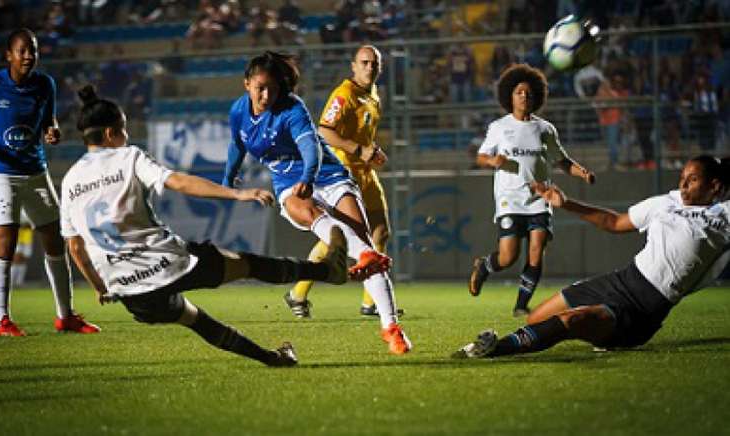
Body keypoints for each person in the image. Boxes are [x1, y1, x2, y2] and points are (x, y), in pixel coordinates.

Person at [62, 85, 351, 367]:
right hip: (165, 263)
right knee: (247, 264)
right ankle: (327, 270)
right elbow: (178, 182)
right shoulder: (128, 156)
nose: (126, 137)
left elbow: (75, 247)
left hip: (129, 292)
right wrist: (237, 193)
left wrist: (101, 287)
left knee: (195, 319)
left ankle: (273, 359)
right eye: (123, 130)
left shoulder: (70, 179)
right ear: (112, 133)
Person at [222, 51, 411, 354]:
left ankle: (391, 328)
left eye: (272, 87)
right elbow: (237, 144)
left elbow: (312, 148)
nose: (266, 94)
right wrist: (227, 179)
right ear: (246, 84)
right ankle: (351, 253)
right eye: (260, 88)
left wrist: (309, 177)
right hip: (288, 184)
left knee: (366, 249)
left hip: (327, 175)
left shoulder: (292, 108)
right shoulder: (238, 112)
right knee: (322, 222)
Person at [454, 155, 730, 358]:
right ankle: (597, 330)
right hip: (619, 280)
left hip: (643, 307)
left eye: (692, 180)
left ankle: (492, 349)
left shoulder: (724, 217)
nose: (683, 185)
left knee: (570, 321)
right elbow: (614, 222)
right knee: (535, 320)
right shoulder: (665, 203)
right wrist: (567, 203)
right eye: (682, 178)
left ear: (715, 186)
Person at [0, 28, 99, 336]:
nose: (28, 56)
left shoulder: (44, 84)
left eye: (33, 50)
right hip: (0, 172)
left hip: (36, 172)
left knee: (55, 238)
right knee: (5, 242)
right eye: (22, 50)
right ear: (8, 55)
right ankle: (3, 320)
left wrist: (52, 131)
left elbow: (49, 120)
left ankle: (66, 317)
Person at [469, 63, 596, 317]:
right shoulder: (499, 127)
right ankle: (484, 267)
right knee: (508, 257)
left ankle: (520, 305)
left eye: (528, 93)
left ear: (536, 96)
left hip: (540, 198)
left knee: (537, 248)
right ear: (510, 96)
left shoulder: (545, 129)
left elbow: (562, 161)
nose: (524, 96)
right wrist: (492, 161)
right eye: (518, 92)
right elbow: (481, 157)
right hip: (510, 199)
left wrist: (582, 172)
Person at [286, 45, 393, 318]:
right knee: (338, 237)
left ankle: (370, 302)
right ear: (353, 66)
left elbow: (361, 135)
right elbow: (324, 131)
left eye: (374, 64)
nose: (370, 67)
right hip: (344, 174)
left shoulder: (373, 95)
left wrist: (371, 151)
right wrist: (358, 150)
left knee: (380, 232)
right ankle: (297, 293)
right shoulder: (344, 95)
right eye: (365, 63)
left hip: (366, 172)